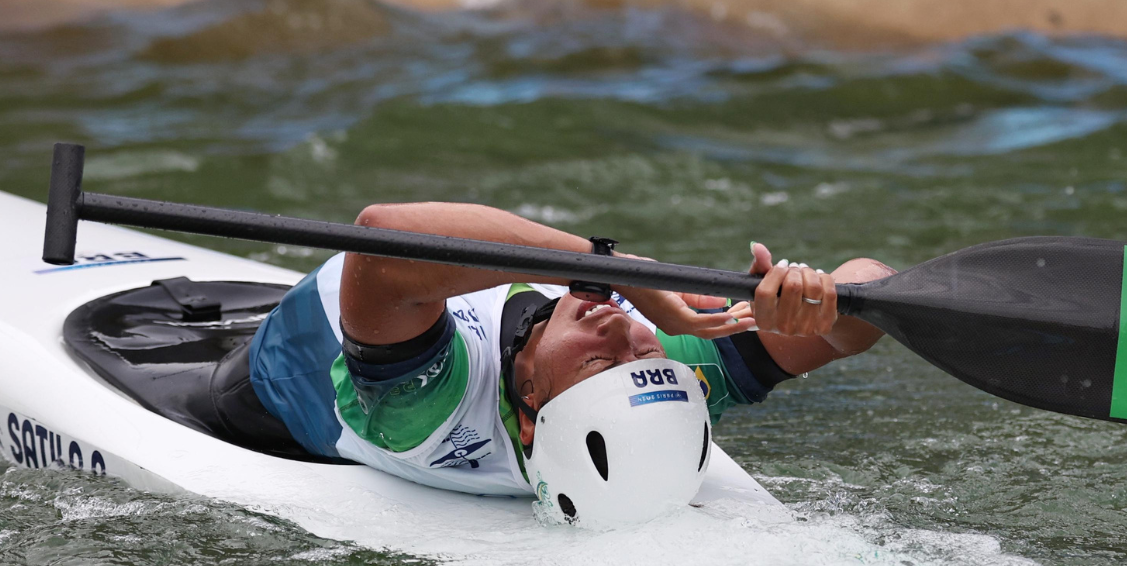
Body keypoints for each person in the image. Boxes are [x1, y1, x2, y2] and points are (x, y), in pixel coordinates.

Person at [246, 202, 894, 526]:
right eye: (640, 351)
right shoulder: (672, 367)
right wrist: (825, 303)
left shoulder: (434, 409)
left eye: (599, 364)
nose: (620, 327)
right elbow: (872, 306)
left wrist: (610, 268)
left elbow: (383, 236)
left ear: (528, 411)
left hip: (294, 358)